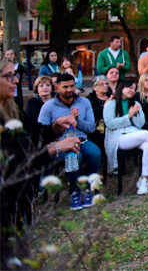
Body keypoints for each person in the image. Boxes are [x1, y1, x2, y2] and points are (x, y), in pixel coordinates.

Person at [1, 57, 82, 266]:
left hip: (18, 206)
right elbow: (15, 164)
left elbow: (29, 141)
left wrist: (54, 128)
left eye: (15, 75)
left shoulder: (10, 109)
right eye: (8, 76)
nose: (16, 81)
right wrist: (55, 148)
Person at [37, 72, 101, 210]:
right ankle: (74, 192)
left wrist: (76, 119)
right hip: (60, 144)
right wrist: (59, 125)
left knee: (95, 153)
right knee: (74, 156)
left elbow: (91, 127)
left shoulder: (84, 102)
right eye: (65, 87)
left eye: (72, 86)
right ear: (57, 87)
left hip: (82, 140)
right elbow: (40, 132)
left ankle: (87, 189)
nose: (69, 89)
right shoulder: (48, 106)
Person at [85, 76, 111, 167]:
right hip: (95, 128)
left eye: (106, 84)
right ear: (94, 87)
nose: (105, 86)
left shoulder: (111, 98)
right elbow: (91, 115)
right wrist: (104, 106)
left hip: (110, 126)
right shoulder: (90, 99)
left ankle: (112, 165)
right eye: (101, 84)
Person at [23, 75, 55, 144]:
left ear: (52, 88)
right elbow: (32, 123)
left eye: (48, 85)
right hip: (41, 136)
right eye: (41, 86)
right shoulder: (33, 102)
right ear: (37, 89)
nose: (45, 88)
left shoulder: (57, 101)